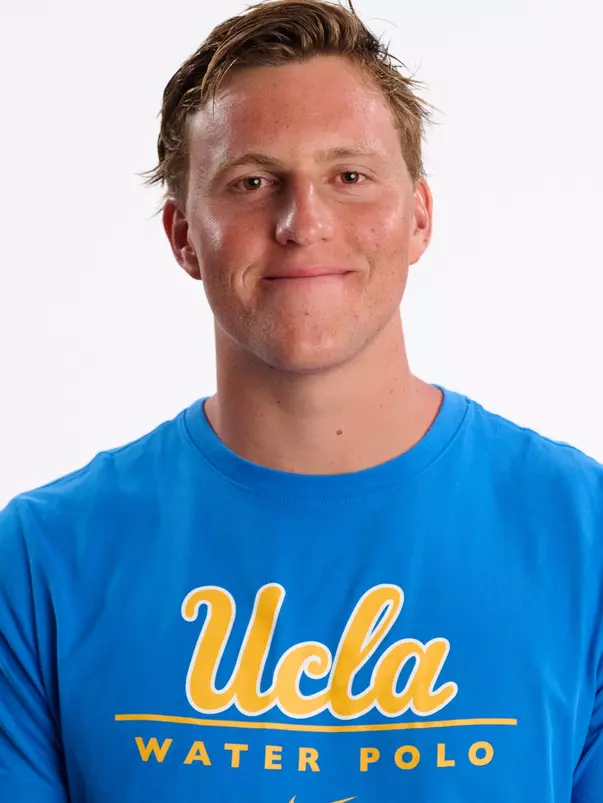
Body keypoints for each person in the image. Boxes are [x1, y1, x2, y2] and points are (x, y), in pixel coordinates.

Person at [1, 0, 601, 800]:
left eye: (348, 176)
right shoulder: (41, 560)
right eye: (251, 181)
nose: (302, 222)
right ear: (183, 235)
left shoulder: (583, 536)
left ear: (417, 217)